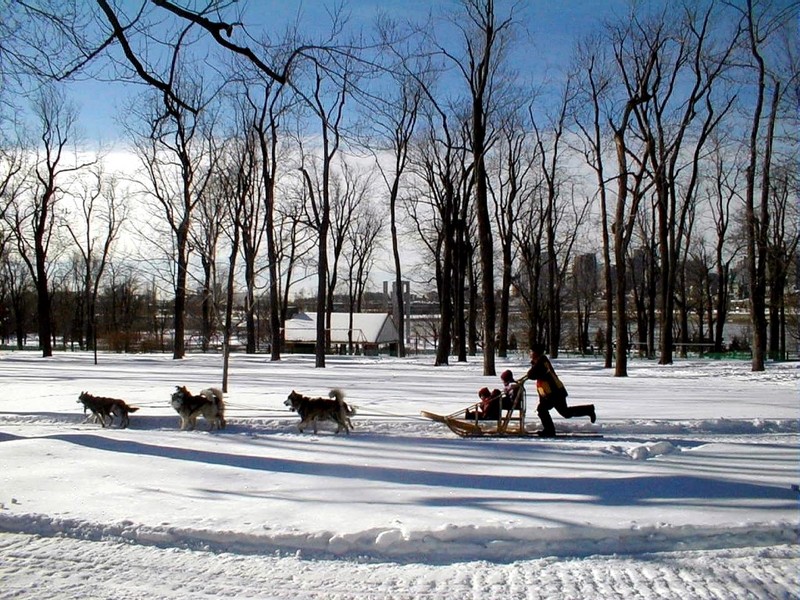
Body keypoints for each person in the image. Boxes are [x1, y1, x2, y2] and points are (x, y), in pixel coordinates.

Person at [526, 343, 596, 437]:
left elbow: (531, 375)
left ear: (536, 353)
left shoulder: (542, 362)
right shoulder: (539, 361)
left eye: (531, 351)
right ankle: (588, 409)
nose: (530, 353)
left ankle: (550, 431)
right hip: (551, 392)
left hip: (555, 392)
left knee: (550, 410)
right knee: (557, 411)